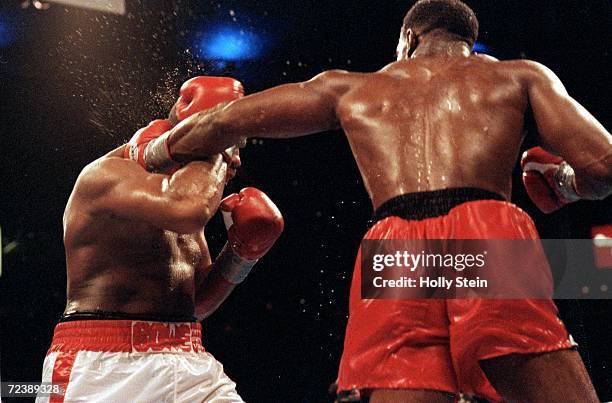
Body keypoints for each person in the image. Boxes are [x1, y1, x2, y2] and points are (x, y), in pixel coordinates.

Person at [133, 1, 612, 401]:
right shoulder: (520, 76)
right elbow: (604, 166)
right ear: (467, 39)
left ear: (407, 37)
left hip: (394, 246)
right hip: (484, 233)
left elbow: (225, 121)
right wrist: (567, 182)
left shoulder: (351, 87)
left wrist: (154, 151)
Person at [37, 77, 284, 403]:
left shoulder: (186, 192)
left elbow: (197, 304)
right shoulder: (106, 176)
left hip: (189, 358)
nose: (236, 159)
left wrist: (242, 254)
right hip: (102, 366)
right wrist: (216, 142)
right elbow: (189, 209)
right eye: (233, 144)